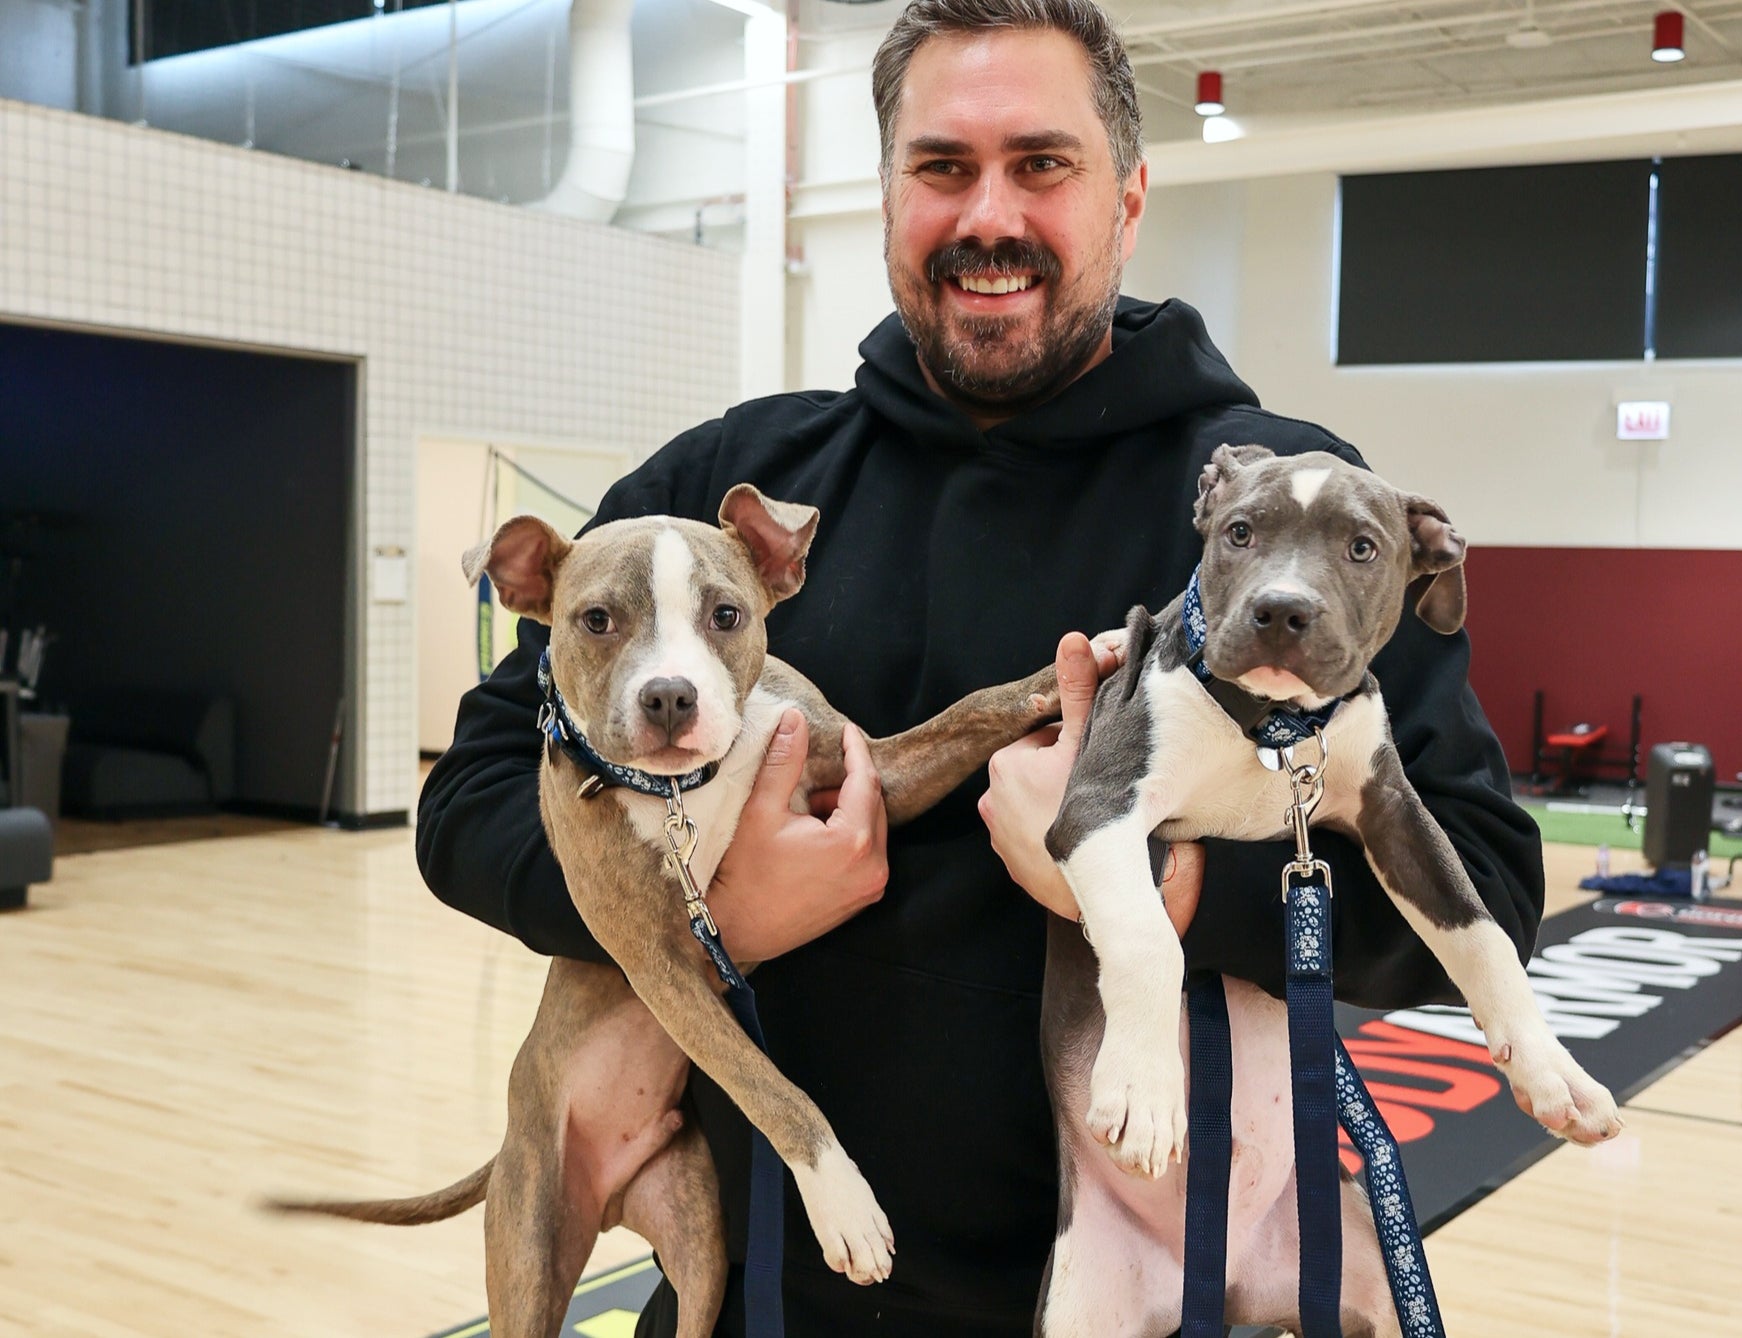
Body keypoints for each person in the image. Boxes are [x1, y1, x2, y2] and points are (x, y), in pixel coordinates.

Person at [415, 1, 1544, 1334]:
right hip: (768, 1299)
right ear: (889, 193)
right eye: (942, 167)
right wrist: (708, 913)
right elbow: (471, 796)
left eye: (1042, 165)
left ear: (1127, 197)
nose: (987, 216)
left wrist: (1172, 877)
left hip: (1139, 1299)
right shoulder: (728, 490)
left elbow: (1489, 877)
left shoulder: (1277, 510)